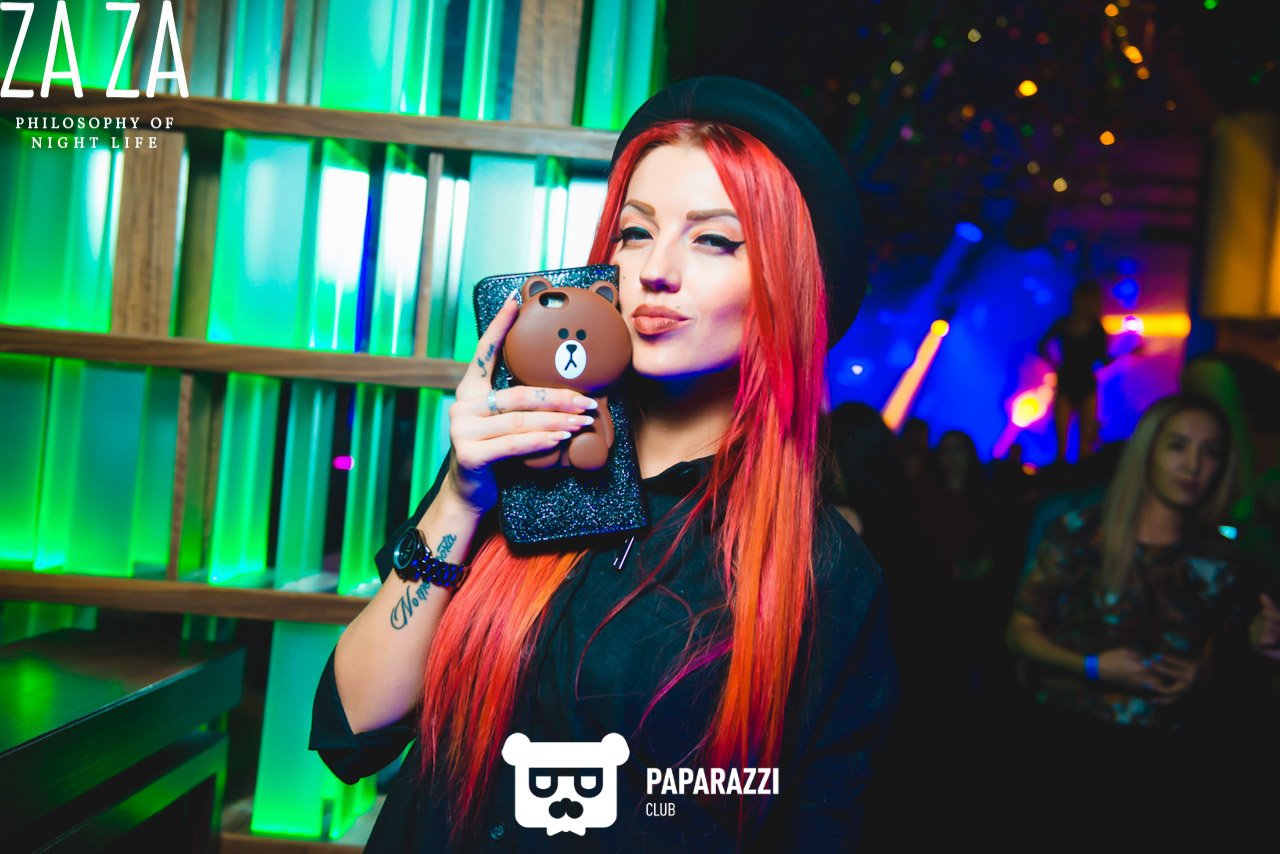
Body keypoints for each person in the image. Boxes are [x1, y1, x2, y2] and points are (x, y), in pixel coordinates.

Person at [309, 76, 895, 852]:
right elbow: (353, 727)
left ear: (784, 287)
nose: (656, 269)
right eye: (635, 232)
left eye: (714, 240)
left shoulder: (826, 574)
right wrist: (461, 495)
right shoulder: (516, 461)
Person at [1005, 392, 1243, 843]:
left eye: (1211, 452)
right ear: (1148, 449)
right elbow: (1019, 632)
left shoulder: (1221, 557)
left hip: (1171, 756)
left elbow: (1225, 655)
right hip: (1067, 743)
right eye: (1178, 446)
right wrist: (1094, 666)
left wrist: (1201, 674)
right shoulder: (1079, 532)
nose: (1194, 465)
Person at [1038, 279, 1111, 463]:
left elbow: (1103, 359)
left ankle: (1078, 475)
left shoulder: (1096, 329)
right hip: (1068, 384)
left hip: (1084, 385)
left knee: (1084, 449)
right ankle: (1063, 474)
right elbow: (1042, 346)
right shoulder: (1064, 325)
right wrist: (1054, 363)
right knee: (1062, 449)